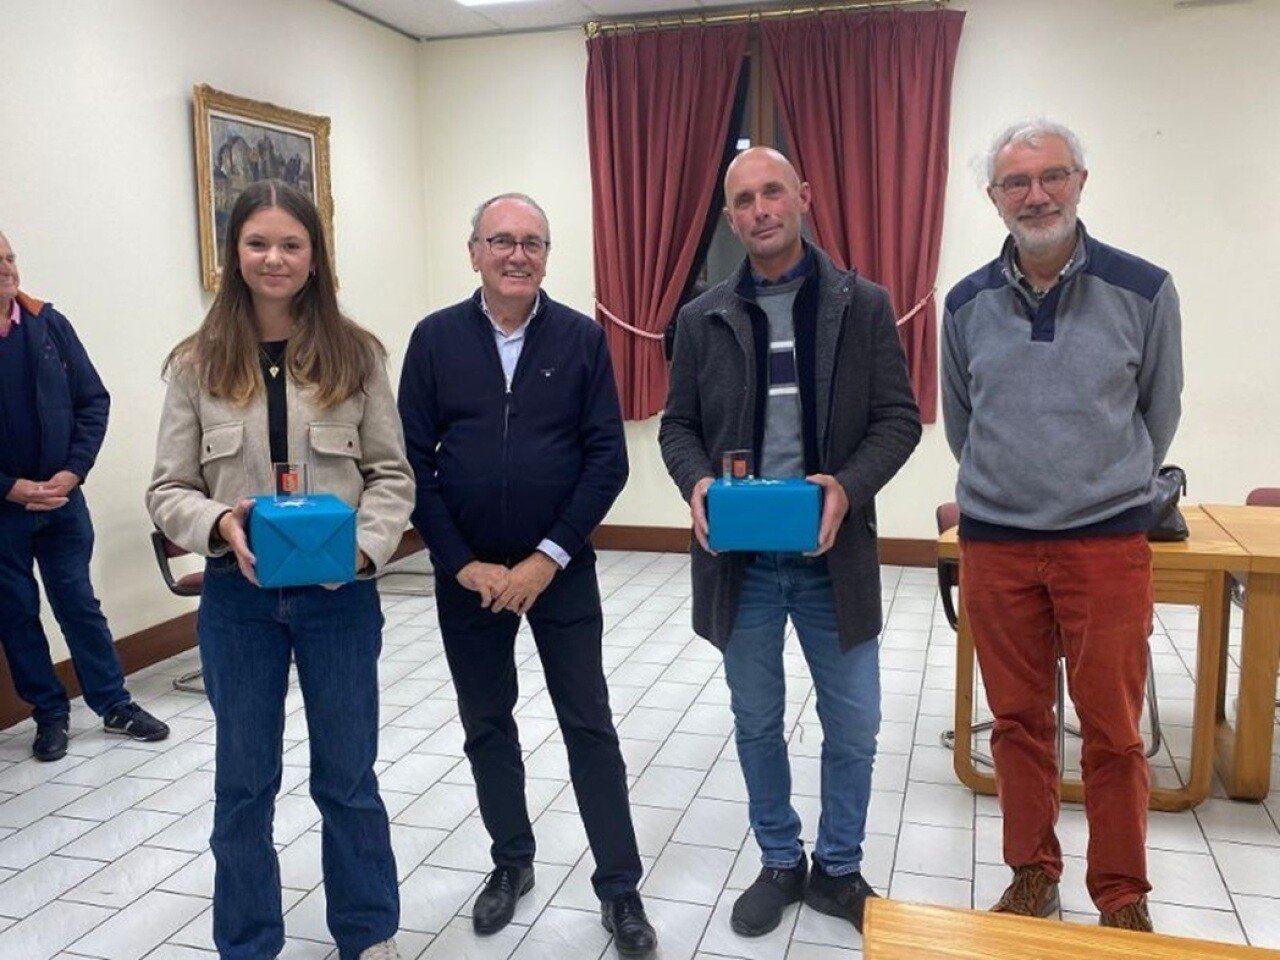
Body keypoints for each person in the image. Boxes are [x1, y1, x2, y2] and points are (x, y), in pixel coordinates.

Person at [147, 180, 414, 960]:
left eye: (291, 245)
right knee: (244, 786)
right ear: (235, 254)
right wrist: (219, 524)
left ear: (314, 257)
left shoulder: (356, 356)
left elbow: (393, 476)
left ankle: (367, 934)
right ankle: (248, 942)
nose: (274, 258)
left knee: (348, 780)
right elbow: (167, 489)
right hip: (239, 602)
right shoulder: (195, 365)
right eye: (258, 243)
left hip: (340, 602)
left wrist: (364, 550)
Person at [659, 147, 921, 937]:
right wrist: (697, 482)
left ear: (802, 198)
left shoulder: (861, 303)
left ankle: (838, 869)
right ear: (732, 217)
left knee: (855, 723)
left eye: (773, 192)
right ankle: (780, 859)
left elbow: (898, 420)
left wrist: (847, 485)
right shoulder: (701, 315)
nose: (760, 209)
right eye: (744, 200)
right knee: (756, 719)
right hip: (741, 564)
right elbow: (677, 428)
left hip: (830, 560)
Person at [398, 193, 657, 958]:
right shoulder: (435, 340)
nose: (518, 254)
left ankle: (620, 889)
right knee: (487, 725)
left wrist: (548, 557)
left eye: (533, 243)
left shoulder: (580, 340)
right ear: (473, 250)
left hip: (561, 572)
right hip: (468, 575)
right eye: (502, 240)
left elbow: (607, 458)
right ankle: (511, 862)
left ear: (549, 255)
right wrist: (462, 562)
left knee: (589, 725)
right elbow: (411, 463)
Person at [941, 119, 1183, 933]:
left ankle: (1122, 896)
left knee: (1113, 730)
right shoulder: (966, 303)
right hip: (997, 543)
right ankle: (1032, 874)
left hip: (1105, 543)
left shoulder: (1144, 290)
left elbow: (1158, 410)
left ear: (1082, 181)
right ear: (994, 198)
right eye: (1017, 183)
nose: (1035, 195)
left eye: (1052, 177)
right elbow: (961, 423)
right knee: (1016, 722)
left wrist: (1097, 487)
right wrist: (1011, 492)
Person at [0, 229, 169, 762]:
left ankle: (114, 704)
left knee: (78, 602)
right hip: (3, 510)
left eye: (10, 256)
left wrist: (73, 473)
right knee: (16, 613)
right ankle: (49, 714)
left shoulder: (49, 324)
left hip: (63, 500)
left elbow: (93, 401)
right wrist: (10, 488)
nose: (7, 267)